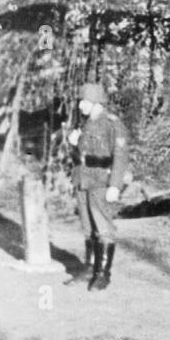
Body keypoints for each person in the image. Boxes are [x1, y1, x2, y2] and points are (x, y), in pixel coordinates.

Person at [68, 81, 129, 291]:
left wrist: (115, 186)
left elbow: (120, 157)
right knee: (88, 228)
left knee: (103, 227)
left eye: (84, 101)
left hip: (101, 180)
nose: (80, 106)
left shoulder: (112, 124)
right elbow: (81, 157)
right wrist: (73, 144)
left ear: (96, 102)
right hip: (83, 178)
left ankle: (103, 274)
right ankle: (89, 269)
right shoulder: (85, 123)